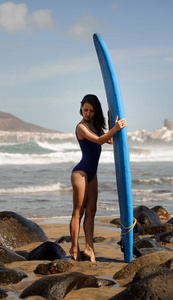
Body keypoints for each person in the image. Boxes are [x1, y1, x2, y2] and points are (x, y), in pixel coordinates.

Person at [69, 94, 127, 262]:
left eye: (91, 111)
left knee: (92, 212)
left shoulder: (93, 125)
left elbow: (108, 140)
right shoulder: (81, 127)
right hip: (80, 173)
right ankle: (74, 249)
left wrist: (111, 124)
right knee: (78, 211)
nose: (87, 113)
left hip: (92, 174)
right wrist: (115, 128)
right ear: (81, 107)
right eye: (85, 109)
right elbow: (100, 141)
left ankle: (89, 248)